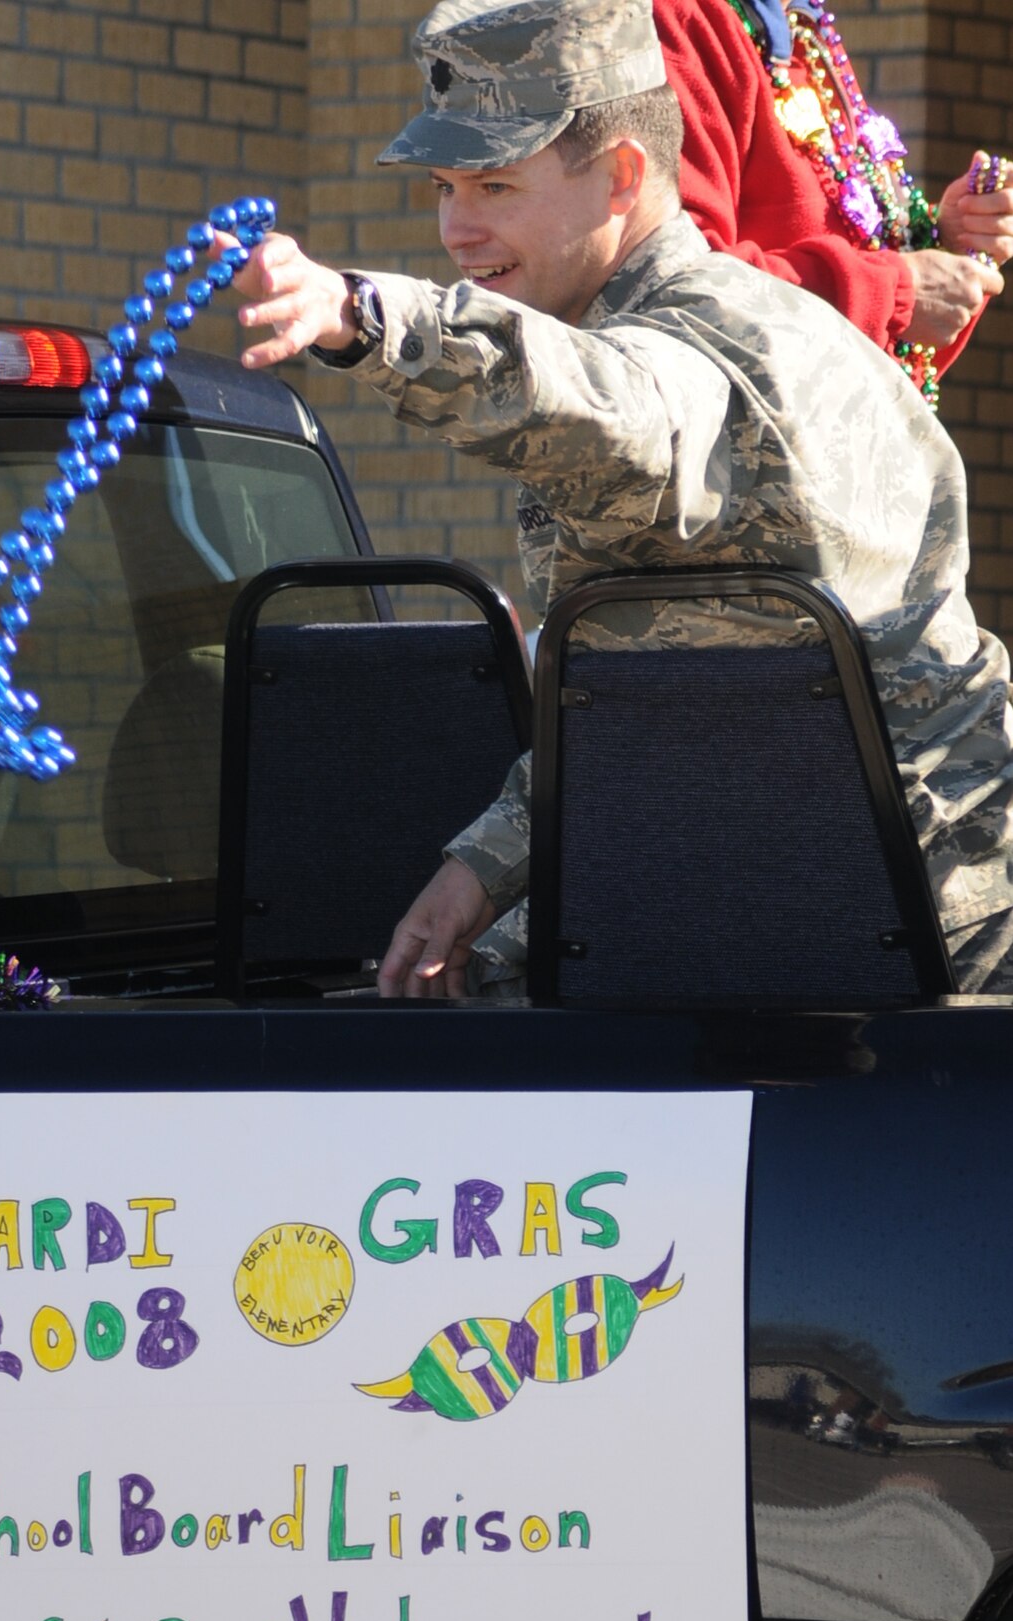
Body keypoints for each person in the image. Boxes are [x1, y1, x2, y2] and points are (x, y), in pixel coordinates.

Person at [227, 0, 1013, 999]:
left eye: (496, 184)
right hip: (858, 916)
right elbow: (655, 693)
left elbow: (610, 408)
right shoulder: (770, 317)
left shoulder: (700, 350)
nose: (457, 230)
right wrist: (480, 871)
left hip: (894, 964)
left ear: (622, 177)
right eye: (443, 188)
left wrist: (367, 318)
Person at [659, 0, 1013, 404]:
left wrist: (945, 241)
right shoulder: (681, 19)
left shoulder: (802, 27)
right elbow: (678, 287)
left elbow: (880, 339)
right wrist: (894, 291)